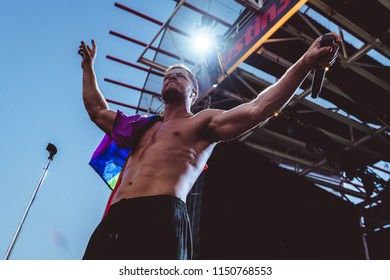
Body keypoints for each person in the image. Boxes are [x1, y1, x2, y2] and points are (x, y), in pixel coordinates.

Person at [78, 32, 342, 260]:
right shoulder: (141, 127)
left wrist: (305, 63)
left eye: (180, 76)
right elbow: (96, 110)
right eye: (168, 76)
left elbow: (258, 108)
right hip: (118, 216)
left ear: (194, 92)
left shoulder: (201, 124)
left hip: (161, 215)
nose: (172, 78)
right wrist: (88, 67)